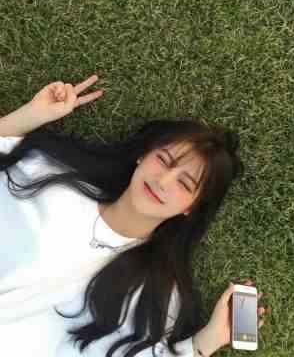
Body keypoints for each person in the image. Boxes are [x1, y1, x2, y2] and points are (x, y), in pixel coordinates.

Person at [0, 75, 266, 356]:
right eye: (164, 160)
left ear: (191, 207)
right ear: (142, 156)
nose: (163, 181)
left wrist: (203, 344)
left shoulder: (156, 293)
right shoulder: (53, 178)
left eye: (185, 184)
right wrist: (31, 115)